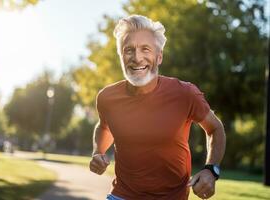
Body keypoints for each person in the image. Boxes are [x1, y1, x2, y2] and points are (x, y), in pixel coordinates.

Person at [89, 15, 226, 200]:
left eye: (145, 49)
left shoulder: (185, 93)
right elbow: (104, 126)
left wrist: (211, 170)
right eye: (129, 50)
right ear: (121, 56)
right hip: (121, 196)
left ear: (159, 56)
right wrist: (98, 152)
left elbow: (215, 129)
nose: (137, 58)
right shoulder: (107, 97)